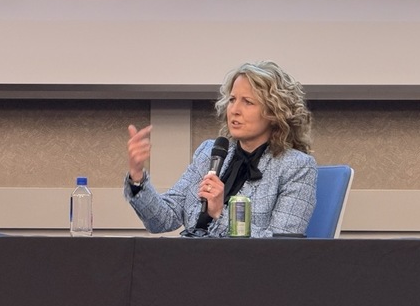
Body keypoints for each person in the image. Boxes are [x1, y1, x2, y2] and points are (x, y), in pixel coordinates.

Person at [125, 61, 317, 238]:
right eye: (232, 99)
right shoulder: (210, 152)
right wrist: (137, 177)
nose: (234, 110)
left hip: (247, 272)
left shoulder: (296, 167)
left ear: (275, 112)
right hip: (191, 263)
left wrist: (219, 214)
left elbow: (283, 246)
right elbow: (163, 220)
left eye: (248, 102)